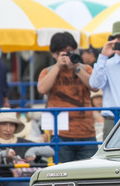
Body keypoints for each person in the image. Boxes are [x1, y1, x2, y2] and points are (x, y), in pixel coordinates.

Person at [37, 32, 97, 162]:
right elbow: (42, 89)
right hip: (60, 134)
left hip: (86, 132)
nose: (67, 56)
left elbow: (94, 86)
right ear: (54, 54)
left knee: (88, 174)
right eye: (62, 53)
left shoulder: (85, 68)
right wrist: (58, 66)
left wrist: (76, 67)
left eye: (70, 52)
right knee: (63, 175)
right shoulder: (47, 71)